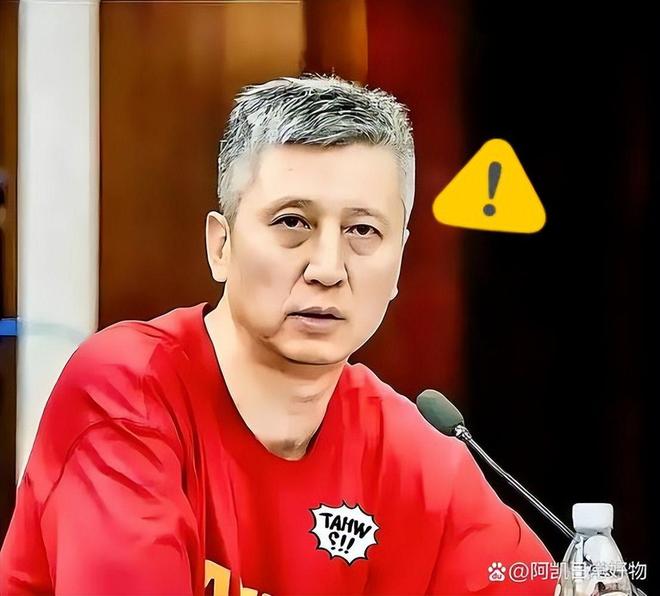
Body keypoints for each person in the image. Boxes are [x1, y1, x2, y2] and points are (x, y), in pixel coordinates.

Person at [0, 73, 555, 595]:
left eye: (363, 230)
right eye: (293, 222)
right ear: (221, 245)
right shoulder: (127, 393)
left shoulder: (418, 456)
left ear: (400, 261)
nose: (328, 268)